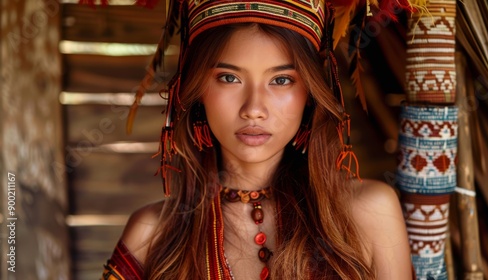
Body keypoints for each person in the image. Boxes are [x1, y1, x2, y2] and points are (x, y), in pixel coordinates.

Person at [102, 0, 414, 279]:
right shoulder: (153, 234)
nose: (253, 109)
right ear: (197, 89)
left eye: (281, 80)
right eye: (229, 78)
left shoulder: (371, 213)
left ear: (310, 92)